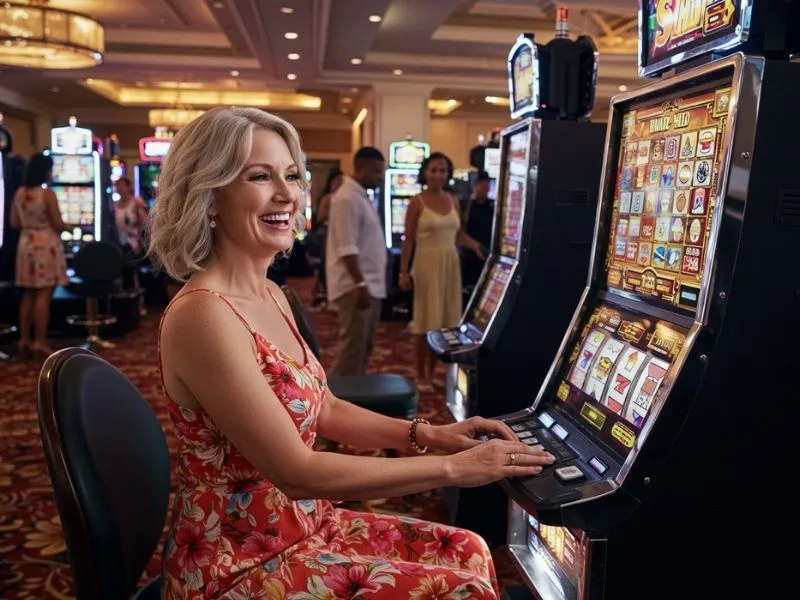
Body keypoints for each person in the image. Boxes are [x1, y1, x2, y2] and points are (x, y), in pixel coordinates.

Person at [148, 107, 555, 599]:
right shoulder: (203, 315)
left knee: (468, 547)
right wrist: (455, 469)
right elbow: (297, 473)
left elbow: (325, 407)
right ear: (209, 196)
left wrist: (432, 435)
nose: (288, 194)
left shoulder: (272, 293)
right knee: (459, 589)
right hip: (239, 558)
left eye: (293, 176)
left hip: (302, 526)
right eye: (260, 176)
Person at [399, 152, 484, 391]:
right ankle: (420, 374)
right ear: (425, 172)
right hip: (427, 262)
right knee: (426, 318)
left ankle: (437, 371)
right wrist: (403, 272)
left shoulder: (453, 200)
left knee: (447, 319)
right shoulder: (417, 201)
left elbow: (457, 235)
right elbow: (408, 240)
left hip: (450, 262)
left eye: (443, 170)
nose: (438, 175)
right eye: (434, 169)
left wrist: (475, 245)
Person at [325, 147, 387, 376]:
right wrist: (360, 285)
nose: (380, 177)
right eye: (375, 172)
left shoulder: (360, 196)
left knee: (363, 348)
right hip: (356, 287)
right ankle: (335, 403)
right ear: (359, 169)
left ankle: (353, 399)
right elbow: (347, 247)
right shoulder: (347, 198)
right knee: (352, 350)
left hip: (368, 285)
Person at [11, 153, 70, 359]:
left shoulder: (19, 193)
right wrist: (67, 227)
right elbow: (57, 223)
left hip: (25, 244)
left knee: (28, 294)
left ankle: (24, 339)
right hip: (45, 244)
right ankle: (39, 341)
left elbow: (14, 223)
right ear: (45, 171)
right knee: (43, 295)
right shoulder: (47, 195)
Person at [308, 169, 343, 309]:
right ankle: (325, 295)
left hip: (340, 235)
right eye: (337, 181)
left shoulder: (344, 197)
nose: (339, 184)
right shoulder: (328, 198)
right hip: (327, 235)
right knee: (326, 266)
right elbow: (321, 216)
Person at [115, 176, 149, 313]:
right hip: (118, 242)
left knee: (132, 274)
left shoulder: (136, 202)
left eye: (122, 185)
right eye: (118, 186)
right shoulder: (115, 204)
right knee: (122, 274)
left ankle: (138, 305)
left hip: (133, 242)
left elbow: (146, 222)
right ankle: (125, 307)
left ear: (129, 187)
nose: (120, 188)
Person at [462, 170, 495, 287]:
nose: (486, 188)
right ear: (474, 185)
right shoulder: (465, 205)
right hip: (469, 254)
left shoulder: (493, 206)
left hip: (487, 252)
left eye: (487, 185)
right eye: (482, 184)